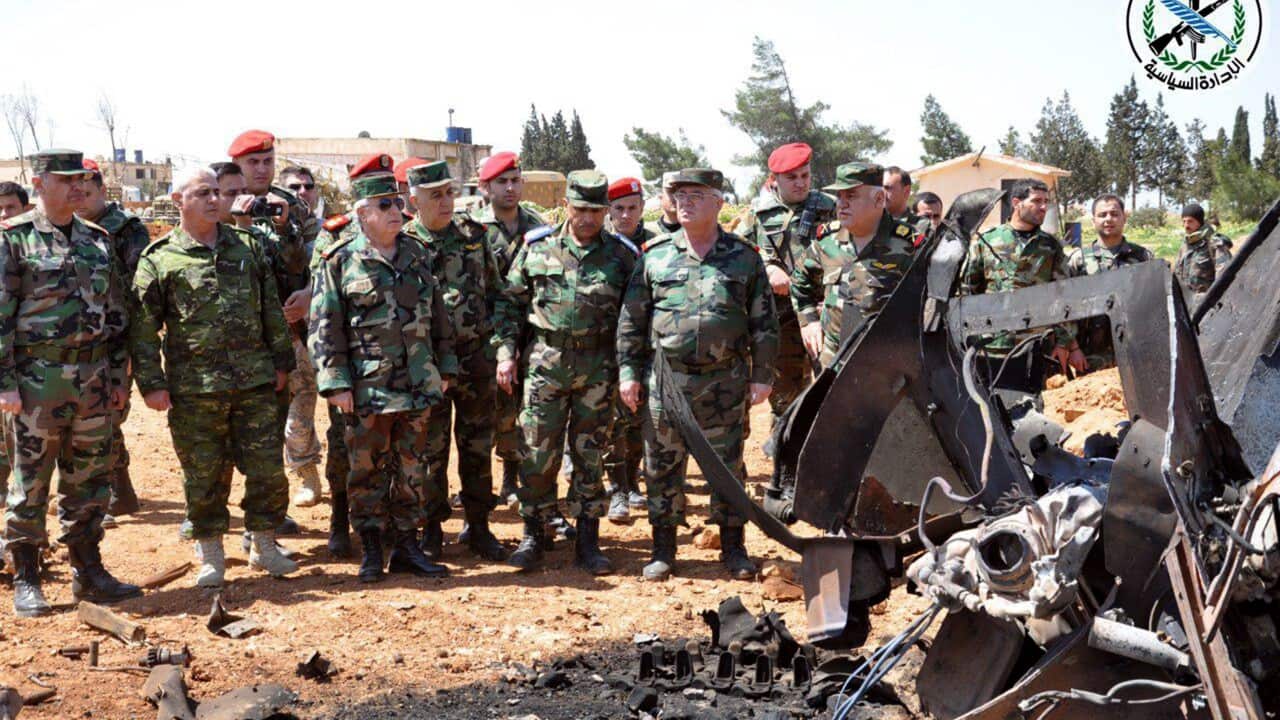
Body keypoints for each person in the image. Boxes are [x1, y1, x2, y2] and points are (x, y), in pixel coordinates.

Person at [131, 166, 299, 587]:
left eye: (217, 193)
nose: (213, 200)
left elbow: (270, 311)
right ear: (178, 201)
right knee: (204, 476)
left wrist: (282, 363)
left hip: (255, 381)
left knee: (266, 471)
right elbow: (143, 327)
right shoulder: (160, 258)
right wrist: (151, 383)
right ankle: (210, 553)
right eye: (202, 193)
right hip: (195, 389)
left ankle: (263, 544)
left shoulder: (247, 247)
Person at [617, 168, 779, 582]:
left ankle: (733, 547)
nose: (685, 202)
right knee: (661, 466)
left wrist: (762, 375)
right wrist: (628, 374)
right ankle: (664, 549)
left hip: (724, 381)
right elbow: (632, 322)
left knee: (728, 466)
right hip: (667, 382)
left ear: (719, 202)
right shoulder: (654, 256)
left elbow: (764, 323)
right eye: (679, 195)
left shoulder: (744, 257)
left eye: (696, 195)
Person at [1, 149, 141, 616]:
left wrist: (119, 374)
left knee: (89, 478)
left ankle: (89, 570)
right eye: (66, 180)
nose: (78, 187)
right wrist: (5, 384)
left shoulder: (97, 240)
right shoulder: (14, 240)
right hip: (37, 379)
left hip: (94, 379)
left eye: (82, 179)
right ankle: (27, 575)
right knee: (31, 479)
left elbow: (117, 316)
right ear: (39, 184)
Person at [310, 173, 456, 583]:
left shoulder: (418, 254)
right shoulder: (339, 260)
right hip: (368, 388)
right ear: (363, 213)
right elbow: (325, 326)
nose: (397, 211)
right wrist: (336, 382)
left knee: (414, 468)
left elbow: (438, 318)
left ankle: (407, 546)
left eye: (397, 203)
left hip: (418, 383)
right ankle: (372, 549)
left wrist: (445, 368)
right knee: (367, 471)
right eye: (385, 205)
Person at [496, 170, 636, 574]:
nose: (588, 218)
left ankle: (588, 541)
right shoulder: (537, 248)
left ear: (605, 210)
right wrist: (506, 352)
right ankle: (532, 534)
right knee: (537, 453)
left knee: (590, 453)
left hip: (598, 368)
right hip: (546, 364)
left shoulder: (622, 255)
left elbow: (635, 317)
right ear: (566, 206)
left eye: (596, 210)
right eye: (580, 209)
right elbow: (509, 305)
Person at [401, 161, 507, 562]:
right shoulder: (406, 241)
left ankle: (478, 526)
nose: (446, 202)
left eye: (448, 193)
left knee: (477, 446)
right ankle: (431, 529)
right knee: (430, 450)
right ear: (415, 201)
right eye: (435, 195)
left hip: (475, 358)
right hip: (426, 365)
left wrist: (497, 345)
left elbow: (496, 291)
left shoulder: (473, 236)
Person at [310, 153, 400, 557]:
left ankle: (393, 530)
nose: (392, 205)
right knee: (345, 447)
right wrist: (333, 375)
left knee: (396, 451)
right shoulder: (335, 240)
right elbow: (323, 311)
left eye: (392, 193)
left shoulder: (404, 241)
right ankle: (340, 520)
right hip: (353, 368)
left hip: (396, 371)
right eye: (380, 193)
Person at [228, 130, 316, 537]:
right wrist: (241, 222)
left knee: (282, 415)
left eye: (267, 161)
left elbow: (311, 260)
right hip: (239, 338)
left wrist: (285, 230)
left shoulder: (290, 204)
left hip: (287, 330)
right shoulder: (220, 199)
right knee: (241, 430)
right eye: (253, 163)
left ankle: (271, 511)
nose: (261, 170)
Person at [736, 143, 836, 438]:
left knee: (834, 388)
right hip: (782, 319)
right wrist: (767, 266)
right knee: (787, 395)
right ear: (774, 180)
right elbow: (737, 252)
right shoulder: (758, 214)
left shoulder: (830, 207)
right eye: (792, 177)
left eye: (805, 175)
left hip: (826, 314)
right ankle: (786, 459)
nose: (801, 183)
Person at [75, 158, 151, 526]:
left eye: (87, 193)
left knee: (109, 414)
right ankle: (117, 487)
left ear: (102, 191)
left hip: (119, 335)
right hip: (81, 336)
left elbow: (138, 285)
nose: (80, 200)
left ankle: (115, 487)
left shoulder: (125, 229)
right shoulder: (67, 227)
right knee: (97, 416)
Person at [792, 162, 919, 368]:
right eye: (839, 197)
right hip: (832, 361)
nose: (841, 204)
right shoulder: (827, 241)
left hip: (886, 365)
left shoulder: (909, 246)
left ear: (879, 199)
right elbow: (799, 282)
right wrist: (809, 321)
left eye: (851, 196)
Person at [472, 152, 547, 504]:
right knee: (483, 412)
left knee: (520, 408)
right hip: (481, 334)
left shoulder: (538, 225)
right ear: (485, 187)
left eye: (515, 180)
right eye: (502, 182)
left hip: (528, 331)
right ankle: (479, 485)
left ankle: (511, 477)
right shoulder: (472, 228)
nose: (510, 188)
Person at [960, 179, 1084, 385]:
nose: (1044, 207)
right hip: (992, 346)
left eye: (1046, 201)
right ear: (1017, 203)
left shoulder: (1050, 246)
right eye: (1036, 201)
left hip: (1037, 345)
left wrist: (1064, 343)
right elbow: (968, 292)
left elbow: (1063, 298)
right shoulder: (987, 241)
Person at [602, 177, 651, 522]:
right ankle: (617, 488)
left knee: (637, 420)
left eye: (632, 207)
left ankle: (633, 481)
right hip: (607, 347)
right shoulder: (604, 247)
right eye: (618, 208)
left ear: (642, 208)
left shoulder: (657, 244)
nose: (625, 214)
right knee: (611, 424)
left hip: (646, 345)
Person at [1067, 194, 1154, 369]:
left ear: (1124, 218)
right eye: (1102, 215)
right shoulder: (1079, 260)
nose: (1108, 219)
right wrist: (1073, 348)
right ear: (1093, 221)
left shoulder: (1143, 257)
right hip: (1091, 354)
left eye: (1114, 214)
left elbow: (1152, 303)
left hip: (1135, 351)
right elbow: (1066, 308)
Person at [1175, 202, 1233, 297]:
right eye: (1184, 221)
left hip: (1207, 301)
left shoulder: (1214, 244)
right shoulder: (1185, 245)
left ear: (1200, 222)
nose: (1186, 225)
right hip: (1188, 302)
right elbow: (1178, 273)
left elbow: (1224, 274)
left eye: (1190, 221)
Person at [884, 166, 929, 236]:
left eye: (887, 188)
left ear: (906, 191)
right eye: (878, 188)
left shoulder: (921, 225)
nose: (880, 192)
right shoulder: (869, 222)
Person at [645, 172, 682, 236]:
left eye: (681, 193)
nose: (676, 197)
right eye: (671, 191)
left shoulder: (697, 230)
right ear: (661, 196)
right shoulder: (648, 231)